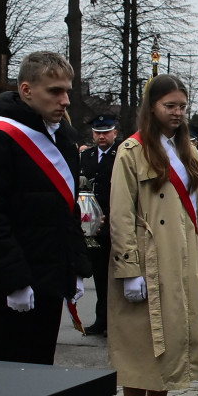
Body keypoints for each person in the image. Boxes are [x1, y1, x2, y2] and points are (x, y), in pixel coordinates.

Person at [108, 74, 198, 396]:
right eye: (170, 105)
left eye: (182, 106)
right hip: (148, 259)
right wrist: (129, 270)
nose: (177, 113)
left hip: (183, 258)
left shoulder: (190, 152)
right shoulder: (131, 152)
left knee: (171, 341)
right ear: (152, 106)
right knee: (144, 343)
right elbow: (121, 215)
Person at [0, 51, 91, 365]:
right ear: (26, 90)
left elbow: (66, 210)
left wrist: (72, 267)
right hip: (3, 289)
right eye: (55, 91)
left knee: (37, 380)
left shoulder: (63, 139)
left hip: (47, 282)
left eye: (67, 91)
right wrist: (14, 280)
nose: (65, 101)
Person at [80, 114, 120, 335]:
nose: (101, 136)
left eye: (106, 132)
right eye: (98, 132)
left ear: (115, 132)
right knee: (99, 274)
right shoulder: (87, 155)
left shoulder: (121, 154)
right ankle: (101, 319)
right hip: (92, 224)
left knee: (113, 276)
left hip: (113, 220)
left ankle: (113, 321)